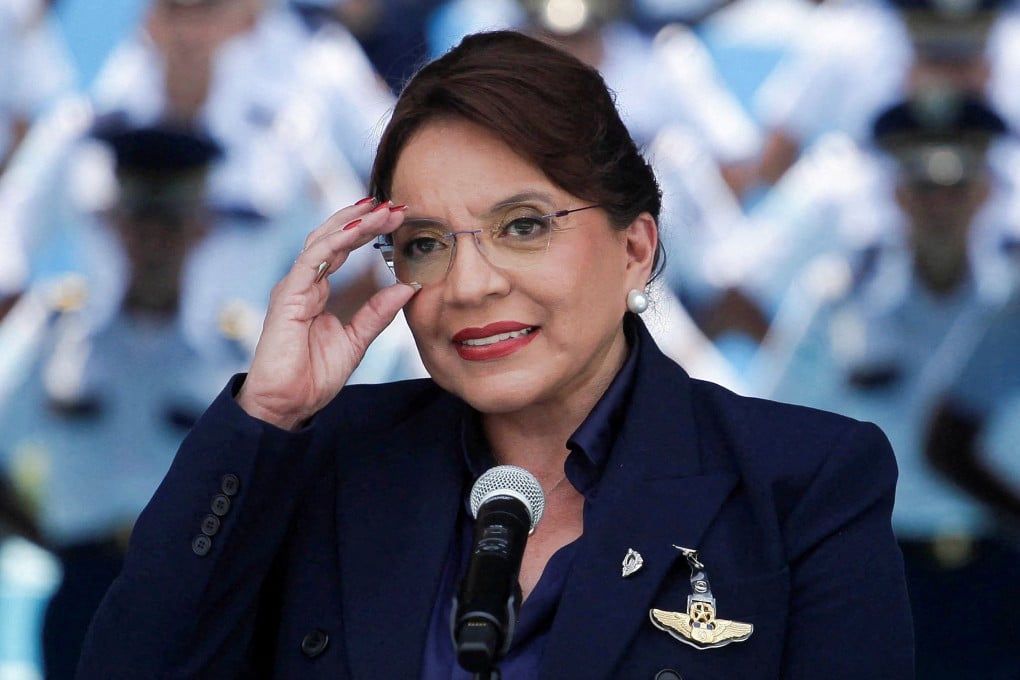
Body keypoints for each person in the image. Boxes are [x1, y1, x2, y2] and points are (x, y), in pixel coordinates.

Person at [77, 30, 912, 679]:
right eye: (426, 243)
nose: (471, 286)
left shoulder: (803, 483)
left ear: (635, 247)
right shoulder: (319, 459)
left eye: (523, 226)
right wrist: (263, 420)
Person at [748, 93, 1017, 679]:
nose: (940, 205)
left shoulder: (1013, 304)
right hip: (877, 571)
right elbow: (771, 437)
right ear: (898, 194)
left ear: (984, 193)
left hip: (1005, 564)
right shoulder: (839, 300)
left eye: (957, 188)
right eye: (924, 187)